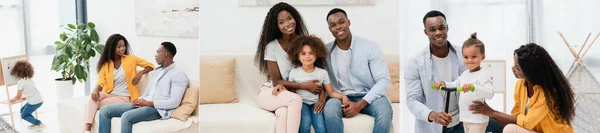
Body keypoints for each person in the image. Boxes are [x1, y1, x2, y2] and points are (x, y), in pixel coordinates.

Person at [405, 10, 503, 133]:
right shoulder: (415, 63)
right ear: (426, 32)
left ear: (447, 28)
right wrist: (433, 115)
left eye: (441, 28)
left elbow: (479, 77)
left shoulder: (464, 55)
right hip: (434, 126)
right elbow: (413, 100)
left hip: (464, 119)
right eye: (432, 29)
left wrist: (487, 107)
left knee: (502, 127)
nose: (438, 32)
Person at [469, 43, 575, 133]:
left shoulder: (548, 93)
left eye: (517, 67)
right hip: (535, 131)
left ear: (530, 71)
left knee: (510, 130)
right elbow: (515, 117)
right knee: (503, 126)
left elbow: (527, 123)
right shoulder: (520, 86)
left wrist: (492, 112)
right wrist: (488, 112)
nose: (513, 68)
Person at [322, 8, 393, 133]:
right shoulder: (325, 52)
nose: (338, 27)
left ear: (348, 22)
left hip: (369, 95)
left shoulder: (369, 47)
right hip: (339, 97)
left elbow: (384, 81)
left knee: (385, 112)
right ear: (329, 29)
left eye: (341, 22)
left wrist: (360, 104)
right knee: (330, 111)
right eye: (333, 25)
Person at [254, 2, 320, 133]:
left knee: (283, 113)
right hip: (270, 92)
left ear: (295, 18)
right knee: (295, 100)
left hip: (286, 94)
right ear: (276, 26)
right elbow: (276, 82)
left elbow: (314, 72)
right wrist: (304, 86)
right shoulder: (271, 47)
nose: (288, 24)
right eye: (281, 22)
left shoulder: (306, 44)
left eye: (290, 18)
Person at [97, 42, 189, 133]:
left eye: (157, 52)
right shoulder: (157, 71)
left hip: (157, 109)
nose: (155, 56)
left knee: (126, 116)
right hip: (144, 104)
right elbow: (147, 93)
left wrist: (148, 103)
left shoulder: (178, 74)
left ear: (165, 54)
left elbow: (174, 102)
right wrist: (139, 100)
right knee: (105, 111)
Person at [84, 34, 154, 133]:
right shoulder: (106, 64)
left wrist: (140, 74)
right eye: (119, 46)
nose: (122, 49)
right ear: (112, 48)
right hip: (109, 94)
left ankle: (86, 130)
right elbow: (101, 80)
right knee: (93, 97)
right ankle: (87, 130)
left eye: (124, 46)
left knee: (91, 105)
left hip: (124, 97)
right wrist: (96, 88)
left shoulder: (131, 59)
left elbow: (150, 66)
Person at [433, 33, 494, 133]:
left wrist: (474, 87)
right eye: (466, 57)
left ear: (482, 57)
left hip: (477, 120)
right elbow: (455, 84)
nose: (469, 60)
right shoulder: (465, 74)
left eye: (473, 57)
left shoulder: (484, 74)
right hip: (466, 118)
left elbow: (490, 94)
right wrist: (443, 84)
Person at [287, 36, 349, 133]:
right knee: (305, 124)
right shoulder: (294, 72)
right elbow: (291, 92)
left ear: (316, 55)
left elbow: (331, 92)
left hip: (316, 105)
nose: (307, 56)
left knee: (320, 127)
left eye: (311, 53)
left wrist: (342, 96)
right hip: (301, 104)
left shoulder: (322, 73)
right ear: (298, 57)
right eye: (303, 54)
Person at [9, 60, 45, 131]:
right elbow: (32, 91)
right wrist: (26, 97)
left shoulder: (20, 82)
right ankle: (35, 123)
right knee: (22, 110)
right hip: (39, 99)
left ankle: (39, 124)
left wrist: (11, 100)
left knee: (24, 115)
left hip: (34, 101)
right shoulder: (29, 79)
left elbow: (18, 96)